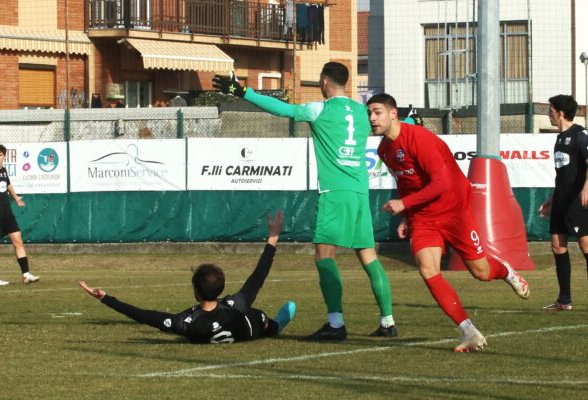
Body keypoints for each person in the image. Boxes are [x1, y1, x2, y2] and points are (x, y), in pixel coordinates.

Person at [213, 62, 396, 341]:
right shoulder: (362, 111)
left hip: (334, 193)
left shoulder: (319, 109)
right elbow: (391, 124)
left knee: (325, 256)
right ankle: (388, 321)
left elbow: (284, 110)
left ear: (324, 82)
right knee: (369, 257)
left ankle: (335, 324)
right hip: (360, 193)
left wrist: (243, 92)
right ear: (345, 83)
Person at [367, 93, 530, 352]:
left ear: (393, 113)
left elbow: (441, 184)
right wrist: (407, 216)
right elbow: (406, 183)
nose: (372, 118)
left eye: (377, 112)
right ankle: (469, 332)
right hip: (424, 217)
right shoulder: (384, 149)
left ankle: (507, 271)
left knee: (482, 272)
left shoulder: (419, 139)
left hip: (454, 210)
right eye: (370, 113)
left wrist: (404, 205)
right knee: (428, 270)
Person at [79, 210, 296, 344]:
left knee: (250, 314)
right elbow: (258, 276)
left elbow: (143, 315)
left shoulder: (186, 323)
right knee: (258, 317)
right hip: (247, 330)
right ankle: (276, 325)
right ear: (221, 287)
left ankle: (273, 324)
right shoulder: (235, 304)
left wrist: (106, 298)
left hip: (215, 330)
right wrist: (273, 237)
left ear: (195, 291)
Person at [539, 95, 588, 311]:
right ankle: (564, 300)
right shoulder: (559, 138)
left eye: (551, 109)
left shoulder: (580, 136)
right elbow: (563, 175)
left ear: (560, 112)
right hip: (560, 201)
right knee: (558, 247)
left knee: (586, 246)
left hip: (577, 202)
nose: (548, 113)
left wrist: (586, 189)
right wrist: (551, 199)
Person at [0, 145, 40, 286]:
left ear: (4, 156)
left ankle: (26, 274)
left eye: (0, 155)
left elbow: (8, 184)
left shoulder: (4, 171)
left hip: (7, 212)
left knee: (18, 240)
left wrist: (16, 198)